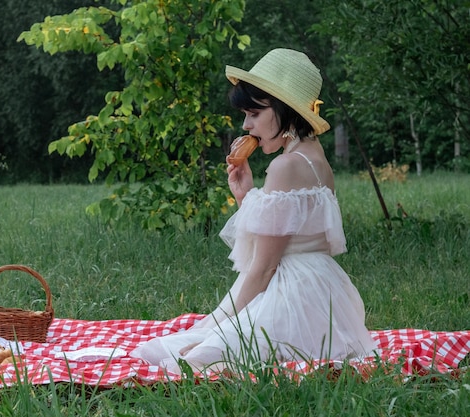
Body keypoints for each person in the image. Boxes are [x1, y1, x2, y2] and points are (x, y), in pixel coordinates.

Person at [130, 48, 377, 374]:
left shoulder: (284, 166)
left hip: (291, 296)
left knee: (186, 359)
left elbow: (263, 269)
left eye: (254, 114)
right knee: (181, 347)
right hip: (323, 290)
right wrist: (245, 194)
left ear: (283, 109)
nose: (246, 126)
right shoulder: (315, 157)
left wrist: (215, 326)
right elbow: (290, 235)